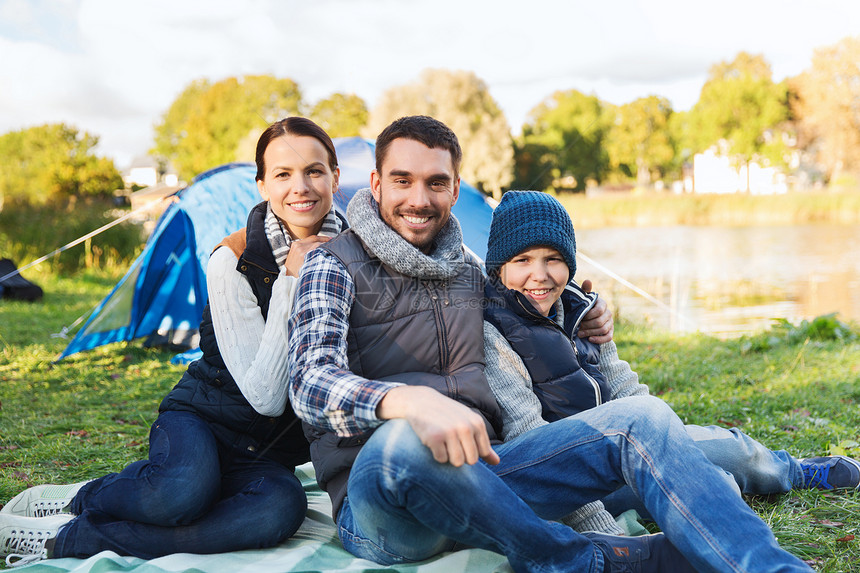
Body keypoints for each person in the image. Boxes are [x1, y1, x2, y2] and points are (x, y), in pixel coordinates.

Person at [288, 115, 813, 572]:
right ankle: (576, 558)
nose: (419, 199)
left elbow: (530, 303)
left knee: (643, 417)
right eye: (402, 180)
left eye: (436, 182)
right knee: (404, 440)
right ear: (376, 183)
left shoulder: (468, 272)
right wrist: (407, 401)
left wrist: (583, 311)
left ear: (455, 187)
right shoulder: (332, 265)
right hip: (385, 507)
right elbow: (309, 382)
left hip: (492, 474)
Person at [0, 117, 346, 566]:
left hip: (267, 456)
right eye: (282, 174)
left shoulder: (355, 257)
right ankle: (85, 498)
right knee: (180, 492)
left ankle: (73, 539)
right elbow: (265, 397)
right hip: (202, 421)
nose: (300, 187)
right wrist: (291, 282)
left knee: (278, 511)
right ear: (262, 185)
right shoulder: (233, 259)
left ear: (335, 176)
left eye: (314, 171)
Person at [481, 190, 860, 535]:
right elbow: (531, 440)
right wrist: (604, 532)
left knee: (731, 449)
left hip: (630, 447)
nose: (540, 274)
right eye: (523, 260)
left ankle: (793, 469)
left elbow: (625, 387)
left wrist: (673, 443)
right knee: (716, 483)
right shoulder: (493, 333)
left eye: (554, 259)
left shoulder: (581, 310)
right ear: (499, 268)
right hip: (580, 484)